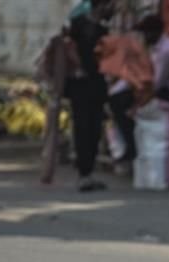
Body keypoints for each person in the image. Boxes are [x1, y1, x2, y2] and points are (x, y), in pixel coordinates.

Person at [66, 0, 114, 192]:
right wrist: (75, 67)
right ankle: (83, 172)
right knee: (82, 126)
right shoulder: (77, 25)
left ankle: (89, 171)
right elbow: (65, 47)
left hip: (97, 84)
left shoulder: (103, 30)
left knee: (94, 128)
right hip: (80, 84)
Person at [136, 14, 169, 103]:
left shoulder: (167, 50)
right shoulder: (157, 47)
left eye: (146, 32)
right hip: (162, 90)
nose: (144, 36)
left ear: (155, 32)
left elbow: (158, 82)